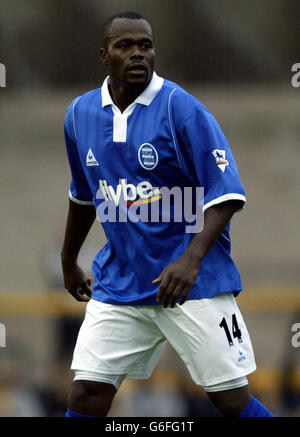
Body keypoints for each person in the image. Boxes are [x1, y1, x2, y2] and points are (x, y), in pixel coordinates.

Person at [61, 11, 273, 417]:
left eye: (146, 45)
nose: (139, 54)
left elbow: (226, 193)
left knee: (230, 399)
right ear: (104, 55)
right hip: (120, 283)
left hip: (191, 284)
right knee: (85, 395)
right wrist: (69, 260)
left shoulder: (182, 110)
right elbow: (84, 194)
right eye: (126, 46)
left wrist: (190, 260)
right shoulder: (79, 114)